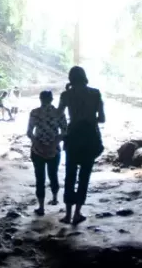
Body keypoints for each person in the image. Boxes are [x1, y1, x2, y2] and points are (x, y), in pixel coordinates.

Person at [58, 66, 105, 225]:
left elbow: (59, 116)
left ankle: (67, 214)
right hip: (90, 137)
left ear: (71, 78)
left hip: (73, 137)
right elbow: (102, 119)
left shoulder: (66, 95)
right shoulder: (95, 93)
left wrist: (68, 127)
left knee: (70, 175)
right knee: (84, 176)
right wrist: (89, 119)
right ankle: (78, 213)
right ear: (84, 77)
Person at [27, 90, 67, 215]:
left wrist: (38, 144)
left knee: (40, 178)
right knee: (53, 175)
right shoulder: (59, 113)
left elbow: (29, 132)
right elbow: (64, 132)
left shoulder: (35, 112)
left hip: (37, 150)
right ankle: (54, 199)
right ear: (51, 99)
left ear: (40, 99)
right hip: (54, 150)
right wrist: (53, 145)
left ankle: (41, 207)